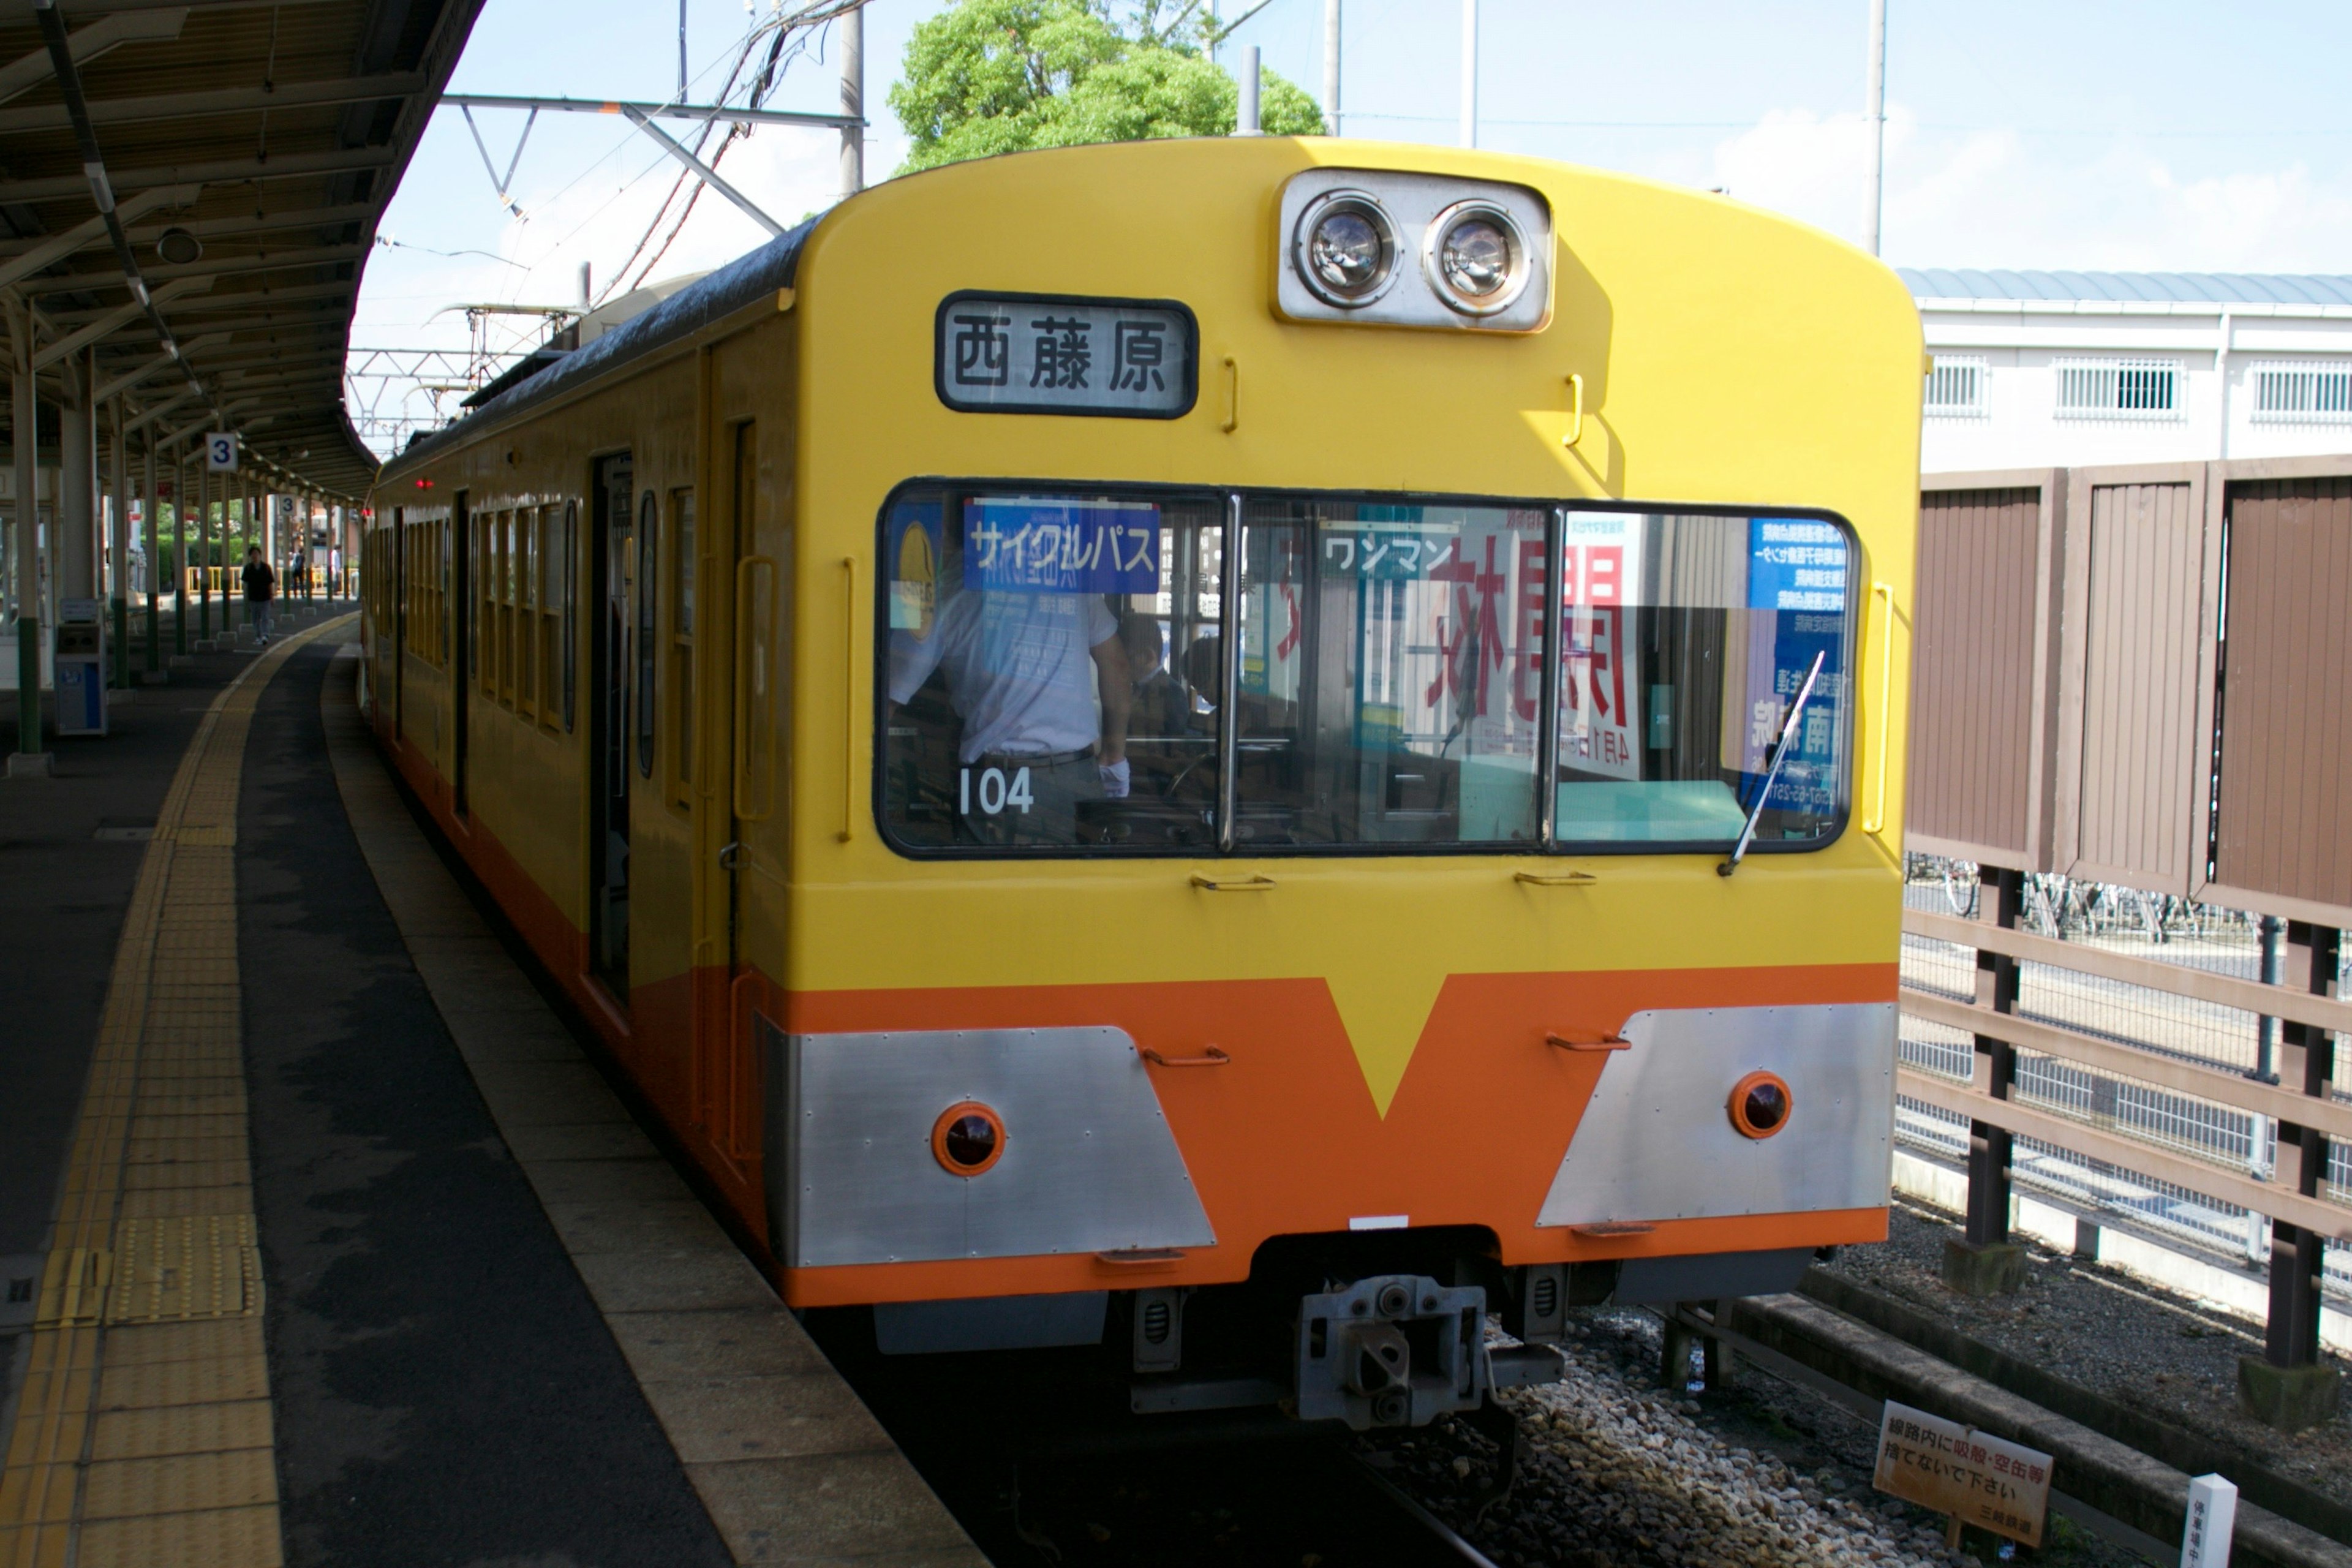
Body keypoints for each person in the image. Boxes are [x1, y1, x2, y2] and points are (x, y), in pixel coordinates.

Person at [888, 568, 1131, 846]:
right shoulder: (1070, 580)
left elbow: (890, 695)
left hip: (998, 785)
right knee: (1074, 884)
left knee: (994, 885)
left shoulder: (944, 592)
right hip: (1076, 776)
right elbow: (1117, 666)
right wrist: (1114, 756)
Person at [240, 546, 276, 646]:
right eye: (253, 554)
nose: (254, 556)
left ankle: (265, 635)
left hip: (265, 597)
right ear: (250, 556)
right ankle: (258, 636)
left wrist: (272, 595)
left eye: (256, 554)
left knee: (265, 617)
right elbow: (245, 584)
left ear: (260, 555)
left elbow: (270, 583)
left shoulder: (266, 568)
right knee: (255, 619)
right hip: (253, 598)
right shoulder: (248, 568)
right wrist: (245, 597)